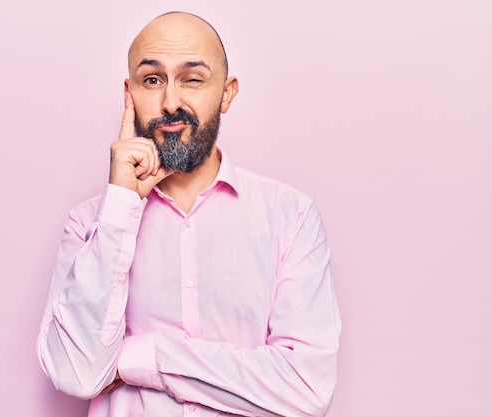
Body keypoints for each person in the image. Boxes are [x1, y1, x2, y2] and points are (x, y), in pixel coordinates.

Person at [37, 11, 341, 417]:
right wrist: (120, 207)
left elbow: (305, 389)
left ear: (227, 93)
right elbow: (75, 372)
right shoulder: (89, 223)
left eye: (193, 79)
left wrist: (139, 357)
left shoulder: (291, 217)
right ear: (129, 93)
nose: (170, 102)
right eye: (152, 80)